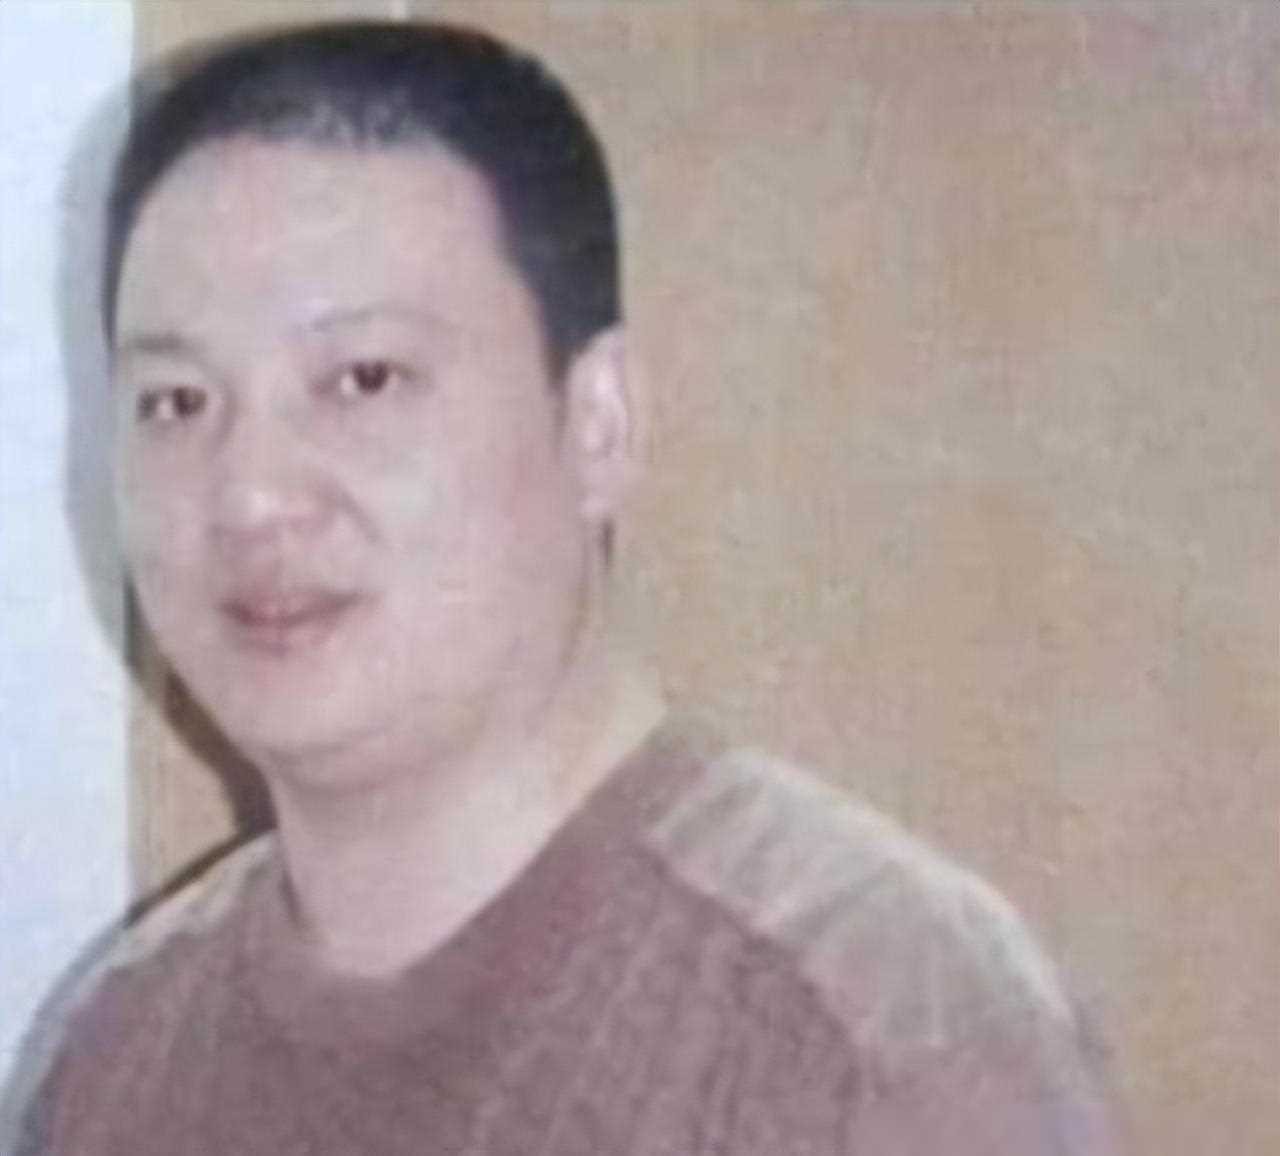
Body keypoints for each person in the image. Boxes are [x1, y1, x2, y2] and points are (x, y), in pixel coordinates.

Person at [4, 20, 1121, 1155]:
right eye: (176, 402)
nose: (250, 494)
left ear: (597, 424)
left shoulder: (870, 1026)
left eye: (363, 379)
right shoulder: (113, 1048)